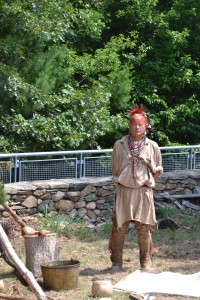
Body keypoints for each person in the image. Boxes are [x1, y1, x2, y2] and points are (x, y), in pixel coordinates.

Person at [109, 104, 163, 271]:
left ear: (145, 125)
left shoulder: (152, 146)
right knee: (119, 228)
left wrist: (148, 183)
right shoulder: (119, 145)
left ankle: (146, 263)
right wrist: (125, 181)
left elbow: (158, 169)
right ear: (129, 125)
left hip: (143, 192)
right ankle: (116, 263)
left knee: (144, 229)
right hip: (124, 191)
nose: (137, 127)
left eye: (140, 124)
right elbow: (115, 168)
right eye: (134, 124)